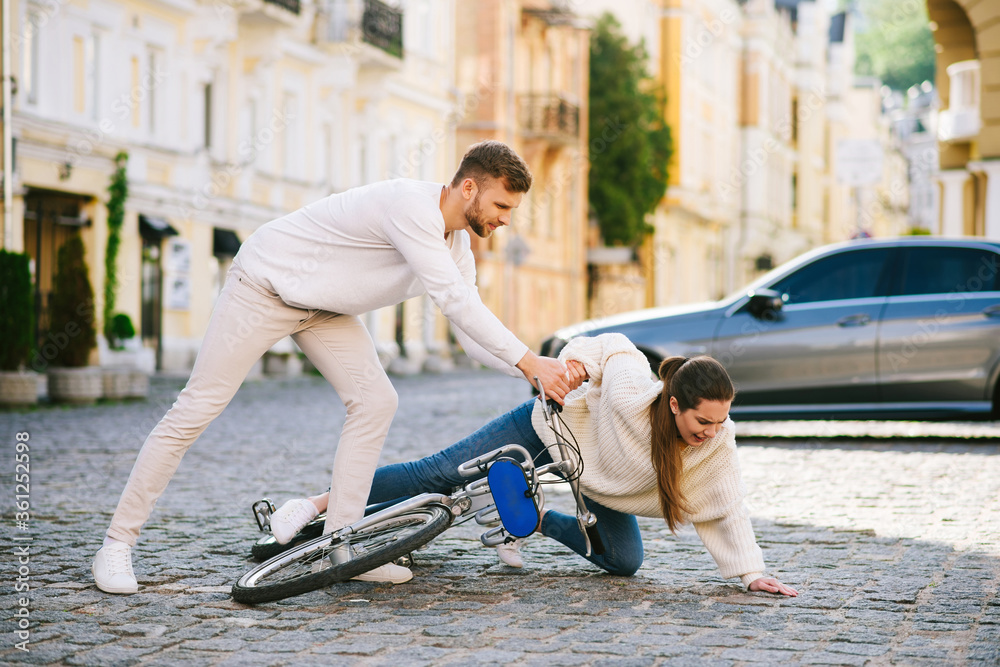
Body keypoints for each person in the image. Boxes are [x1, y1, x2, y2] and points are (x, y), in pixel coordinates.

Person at [92, 140, 574, 594]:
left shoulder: (457, 247)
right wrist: (531, 362)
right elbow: (452, 302)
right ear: (469, 188)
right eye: (502, 206)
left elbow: (471, 339)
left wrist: (535, 370)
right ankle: (116, 545)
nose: (505, 219)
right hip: (264, 286)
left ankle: (339, 549)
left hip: (324, 309)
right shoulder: (410, 207)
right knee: (198, 406)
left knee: (376, 400)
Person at [270, 333, 799, 596]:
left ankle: (522, 517)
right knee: (442, 472)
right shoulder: (636, 392)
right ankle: (315, 504)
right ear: (675, 402)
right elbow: (613, 348)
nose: (712, 432)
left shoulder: (716, 442)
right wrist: (572, 367)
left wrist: (750, 573)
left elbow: (726, 504)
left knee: (624, 561)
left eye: (721, 422)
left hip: (598, 479)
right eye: (703, 421)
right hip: (551, 428)